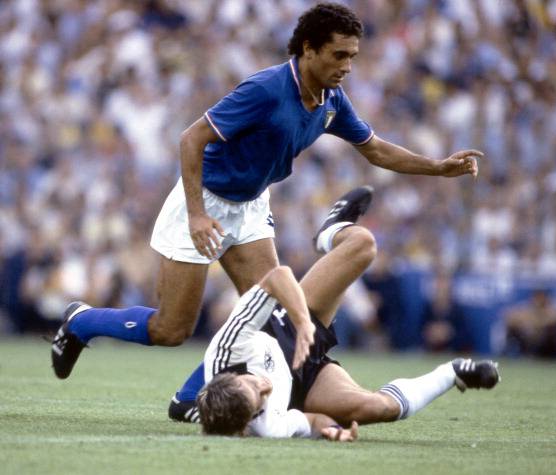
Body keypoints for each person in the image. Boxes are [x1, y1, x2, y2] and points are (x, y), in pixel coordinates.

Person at [51, 3, 481, 383]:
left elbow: (375, 149)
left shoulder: (331, 99)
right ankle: (82, 322)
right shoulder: (266, 90)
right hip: (204, 200)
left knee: (269, 318)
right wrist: (197, 215)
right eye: (339, 55)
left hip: (252, 205)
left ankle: (190, 397)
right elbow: (191, 139)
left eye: (352, 56)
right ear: (309, 49)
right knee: (172, 330)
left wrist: (437, 167)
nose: (348, 66)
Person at [170, 187, 500, 440]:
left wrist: (302, 320)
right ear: (247, 424)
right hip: (304, 384)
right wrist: (333, 432)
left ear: (230, 376)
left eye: (252, 385)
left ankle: (331, 231)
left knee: (363, 245)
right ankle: (454, 372)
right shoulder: (268, 427)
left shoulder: (226, 350)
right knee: (379, 408)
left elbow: (277, 277)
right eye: (260, 401)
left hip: (286, 329)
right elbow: (312, 421)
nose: (265, 387)